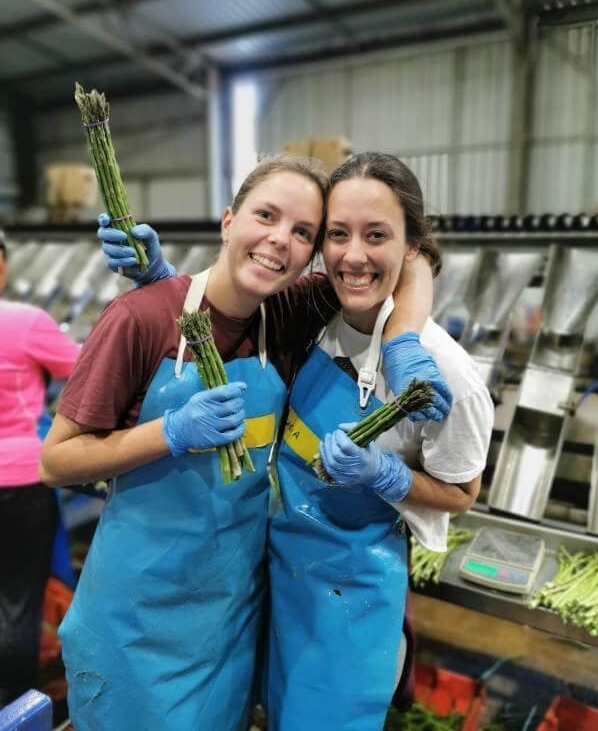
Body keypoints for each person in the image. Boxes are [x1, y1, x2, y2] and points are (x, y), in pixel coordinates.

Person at [40, 154, 448, 730]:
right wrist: (171, 432)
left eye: (303, 232)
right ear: (229, 220)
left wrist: (404, 340)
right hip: (134, 624)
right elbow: (56, 460)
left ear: (311, 254)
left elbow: (414, 258)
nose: (280, 240)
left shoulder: (288, 312)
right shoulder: (142, 318)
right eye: (266, 216)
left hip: (227, 625)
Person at [266, 153, 494, 730]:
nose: (354, 255)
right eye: (338, 235)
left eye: (377, 235)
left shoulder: (448, 376)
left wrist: (385, 476)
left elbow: (464, 490)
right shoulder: (320, 310)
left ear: (410, 244)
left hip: (350, 600)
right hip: (279, 572)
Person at [0, 228, 81, 707]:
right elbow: (85, 369)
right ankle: (11, 704)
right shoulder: (24, 322)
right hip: (20, 482)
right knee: (17, 599)